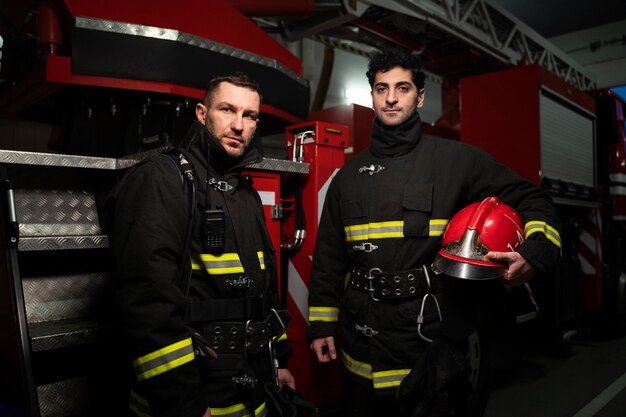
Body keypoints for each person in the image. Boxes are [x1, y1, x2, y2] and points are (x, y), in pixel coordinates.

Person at [307, 48, 561, 416]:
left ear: (420, 96)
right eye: (381, 89)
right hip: (359, 345)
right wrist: (320, 326)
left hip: (429, 341)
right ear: (373, 95)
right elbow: (329, 256)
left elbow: (531, 200)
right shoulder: (349, 176)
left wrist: (534, 254)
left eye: (402, 88)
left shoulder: (458, 161)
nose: (391, 98)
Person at [106, 72, 295, 417]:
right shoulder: (162, 179)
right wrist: (185, 403)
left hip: (252, 383)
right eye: (227, 110)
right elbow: (146, 303)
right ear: (201, 113)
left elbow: (263, 288)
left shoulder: (243, 190)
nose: (238, 125)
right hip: (194, 394)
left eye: (249, 115)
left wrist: (278, 360)